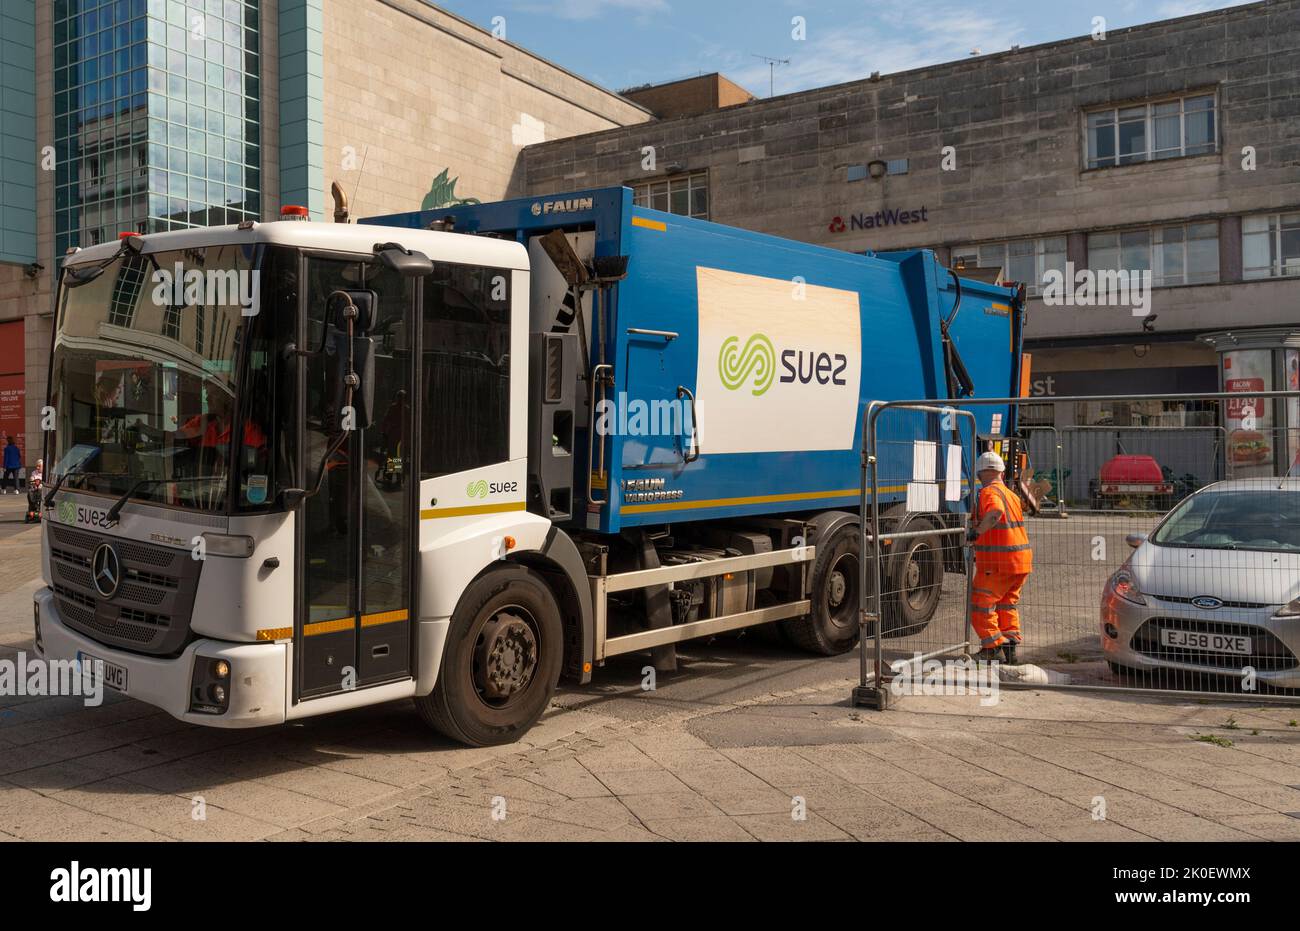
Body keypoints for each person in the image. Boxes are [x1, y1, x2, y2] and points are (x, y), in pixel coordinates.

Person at [967, 450, 1033, 663]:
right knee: (1006, 604)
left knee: (980, 604)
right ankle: (1010, 649)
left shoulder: (988, 493)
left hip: (998, 563)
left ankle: (992, 647)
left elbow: (994, 513)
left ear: (979, 475)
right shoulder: (1012, 495)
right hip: (1019, 562)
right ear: (1002, 473)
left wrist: (976, 532)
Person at [25, 458, 43, 523]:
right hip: (34, 489)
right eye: (37, 466)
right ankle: (33, 508)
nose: (37, 467)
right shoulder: (34, 472)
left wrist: (40, 485)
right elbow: (32, 479)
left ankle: (39, 508)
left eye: (39, 466)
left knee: (40, 491)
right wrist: (33, 482)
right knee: (30, 492)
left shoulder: (45, 473)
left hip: (42, 489)